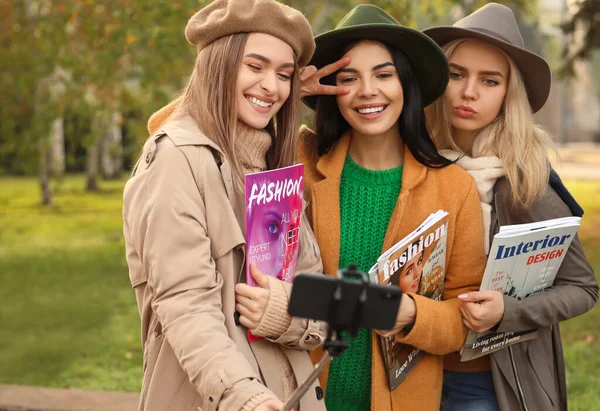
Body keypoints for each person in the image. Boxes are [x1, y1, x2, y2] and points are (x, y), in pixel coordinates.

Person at [122, 1, 328, 410]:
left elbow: (317, 299)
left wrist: (284, 313)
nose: (272, 86)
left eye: (285, 75)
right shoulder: (175, 158)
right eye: (255, 67)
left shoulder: (276, 168)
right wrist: (243, 397)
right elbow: (185, 305)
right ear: (218, 64)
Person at [298, 5, 487, 411]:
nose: (368, 90)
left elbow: (464, 316)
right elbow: (185, 129)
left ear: (407, 84)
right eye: (349, 78)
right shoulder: (299, 162)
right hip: (302, 395)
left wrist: (413, 314)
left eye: (384, 75)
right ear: (330, 88)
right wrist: (287, 90)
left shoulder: (454, 190)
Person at [423, 3, 599, 411]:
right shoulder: (412, 162)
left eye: (490, 80)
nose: (470, 92)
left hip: (486, 385)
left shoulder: (525, 179)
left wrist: (510, 311)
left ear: (508, 94)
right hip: (410, 379)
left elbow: (583, 289)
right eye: (456, 74)